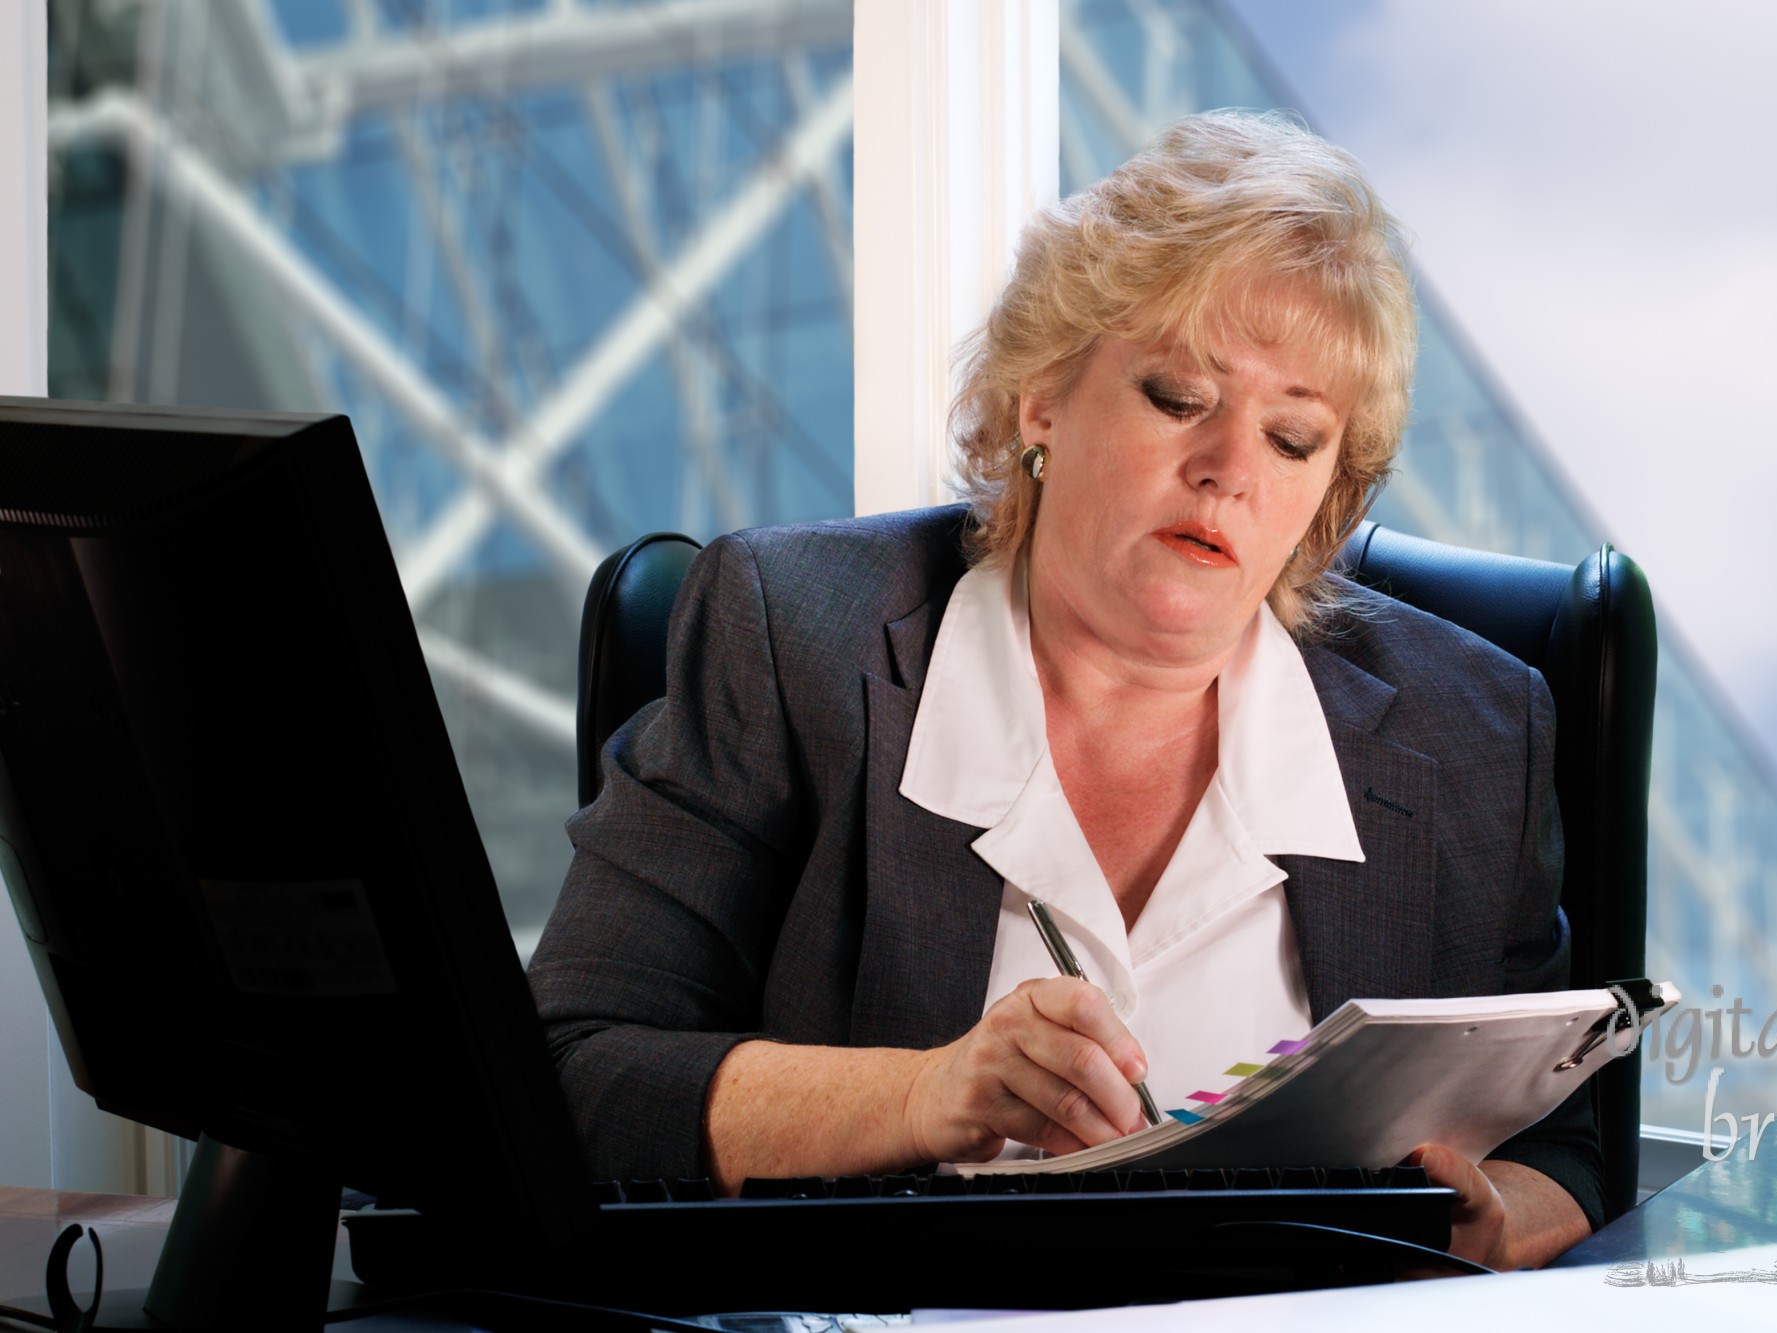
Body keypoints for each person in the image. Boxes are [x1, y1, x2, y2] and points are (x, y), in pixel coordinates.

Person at [529, 109, 1601, 1270]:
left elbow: (1572, 1142)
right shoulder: (790, 639)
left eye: (1292, 439)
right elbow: (563, 1075)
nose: (1229, 472)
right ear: (1040, 400)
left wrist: (1499, 1218)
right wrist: (924, 1094)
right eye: (1178, 397)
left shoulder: (1478, 729)